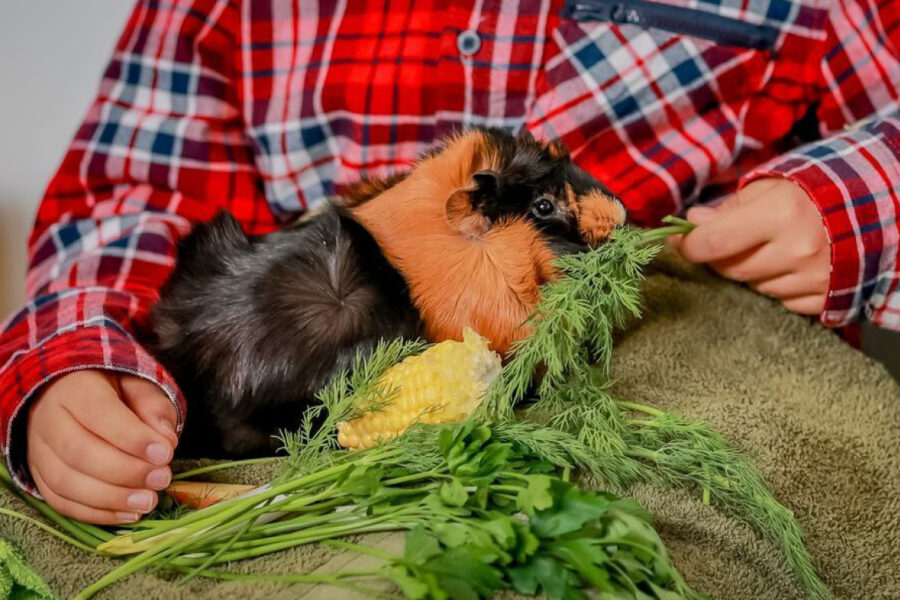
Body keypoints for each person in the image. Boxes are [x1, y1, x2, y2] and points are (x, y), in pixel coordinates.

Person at [1, 0, 897, 524]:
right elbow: (128, 196)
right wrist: (74, 363)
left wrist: (862, 197)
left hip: (673, 406)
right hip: (299, 453)